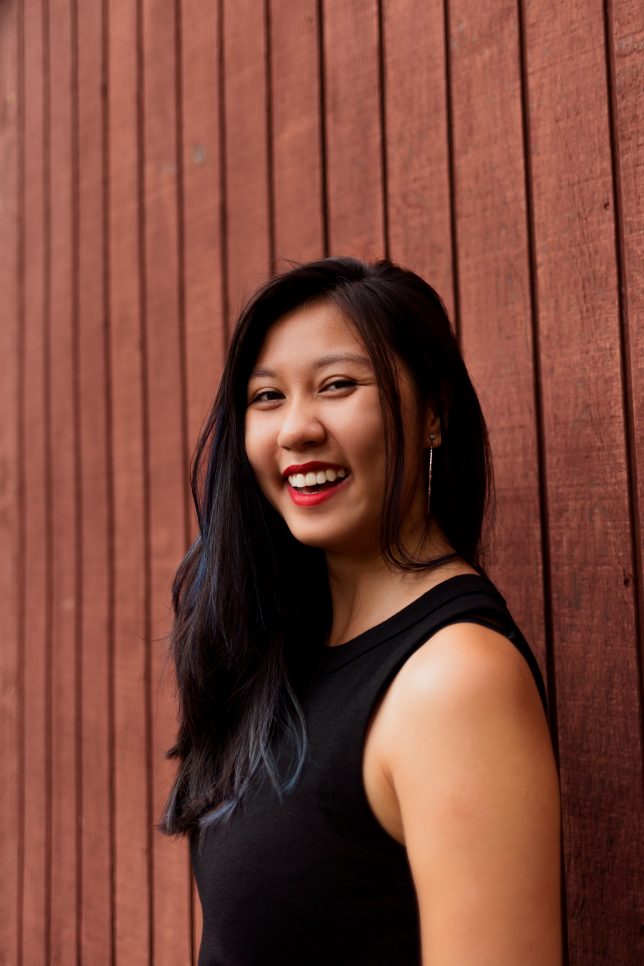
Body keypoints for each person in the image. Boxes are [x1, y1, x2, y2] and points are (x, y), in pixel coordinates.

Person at [160, 257, 562, 964]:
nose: (295, 429)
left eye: (338, 385)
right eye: (267, 397)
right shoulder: (293, 656)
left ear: (433, 414)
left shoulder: (454, 681)